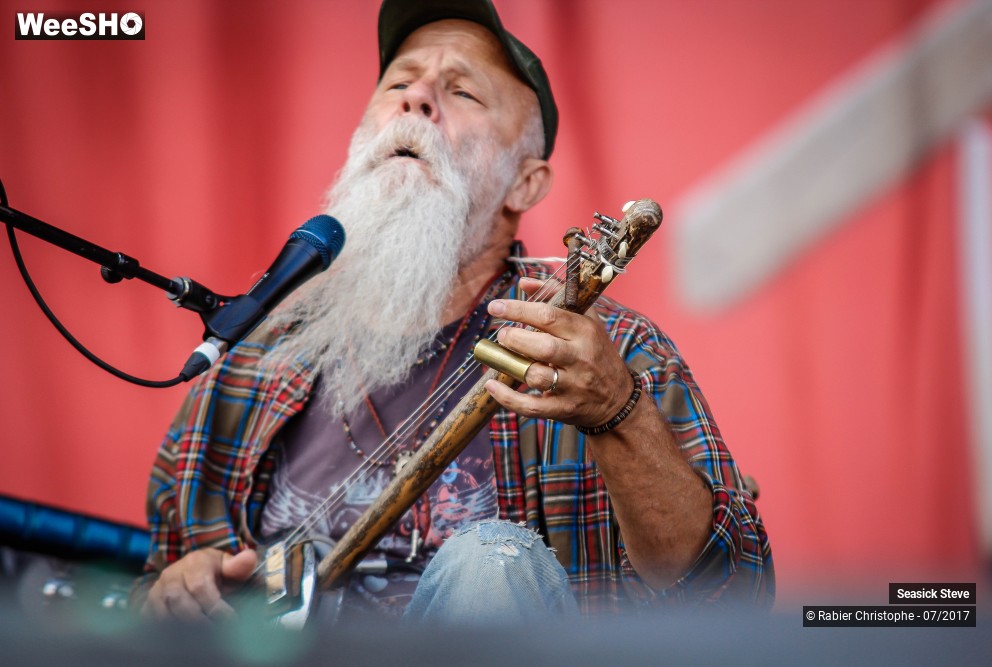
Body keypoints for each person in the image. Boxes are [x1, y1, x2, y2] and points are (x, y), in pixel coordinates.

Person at [135, 0, 774, 623]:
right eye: (399, 83)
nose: (417, 100)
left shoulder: (598, 350)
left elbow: (730, 601)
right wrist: (175, 590)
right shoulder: (256, 354)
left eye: (463, 92)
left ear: (526, 183)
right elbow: (140, 595)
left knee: (492, 562)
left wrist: (618, 412)